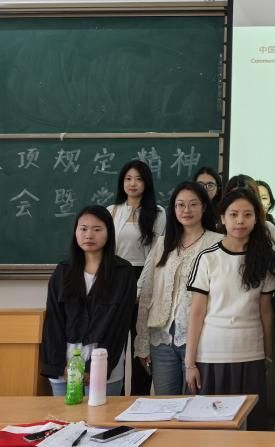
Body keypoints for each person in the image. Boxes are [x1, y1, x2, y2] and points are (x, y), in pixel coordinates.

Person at [185, 188, 275, 430]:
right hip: (211, 355)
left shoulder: (264, 259)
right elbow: (196, 312)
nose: (240, 221)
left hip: (251, 353)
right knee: (213, 429)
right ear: (222, 218)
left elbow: (265, 311)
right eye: (233, 214)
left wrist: (268, 354)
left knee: (252, 429)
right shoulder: (208, 257)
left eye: (247, 215)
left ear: (256, 219)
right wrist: (190, 363)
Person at [134, 182, 221, 395]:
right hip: (161, 339)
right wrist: (142, 343)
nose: (186, 210)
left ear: (204, 207)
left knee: (195, 406)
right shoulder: (163, 244)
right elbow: (147, 294)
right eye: (180, 205)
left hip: (200, 339)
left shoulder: (217, 243)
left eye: (193, 204)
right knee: (166, 406)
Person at [41, 206, 135, 397]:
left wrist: (94, 368)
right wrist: (59, 366)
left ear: (109, 232)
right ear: (75, 232)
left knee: (101, 416)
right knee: (64, 416)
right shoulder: (63, 271)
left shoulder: (123, 273)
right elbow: (53, 323)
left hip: (104, 365)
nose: (89, 235)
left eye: (97, 229)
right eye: (83, 229)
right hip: (64, 367)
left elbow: (119, 326)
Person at [107, 159, 166, 395]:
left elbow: (156, 253)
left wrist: (140, 287)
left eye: (139, 179)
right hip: (116, 278)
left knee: (141, 343)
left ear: (146, 183)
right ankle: (116, 398)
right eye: (128, 179)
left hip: (146, 276)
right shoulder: (111, 211)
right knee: (116, 341)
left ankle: (139, 398)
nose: (133, 183)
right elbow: (107, 250)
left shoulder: (158, 213)